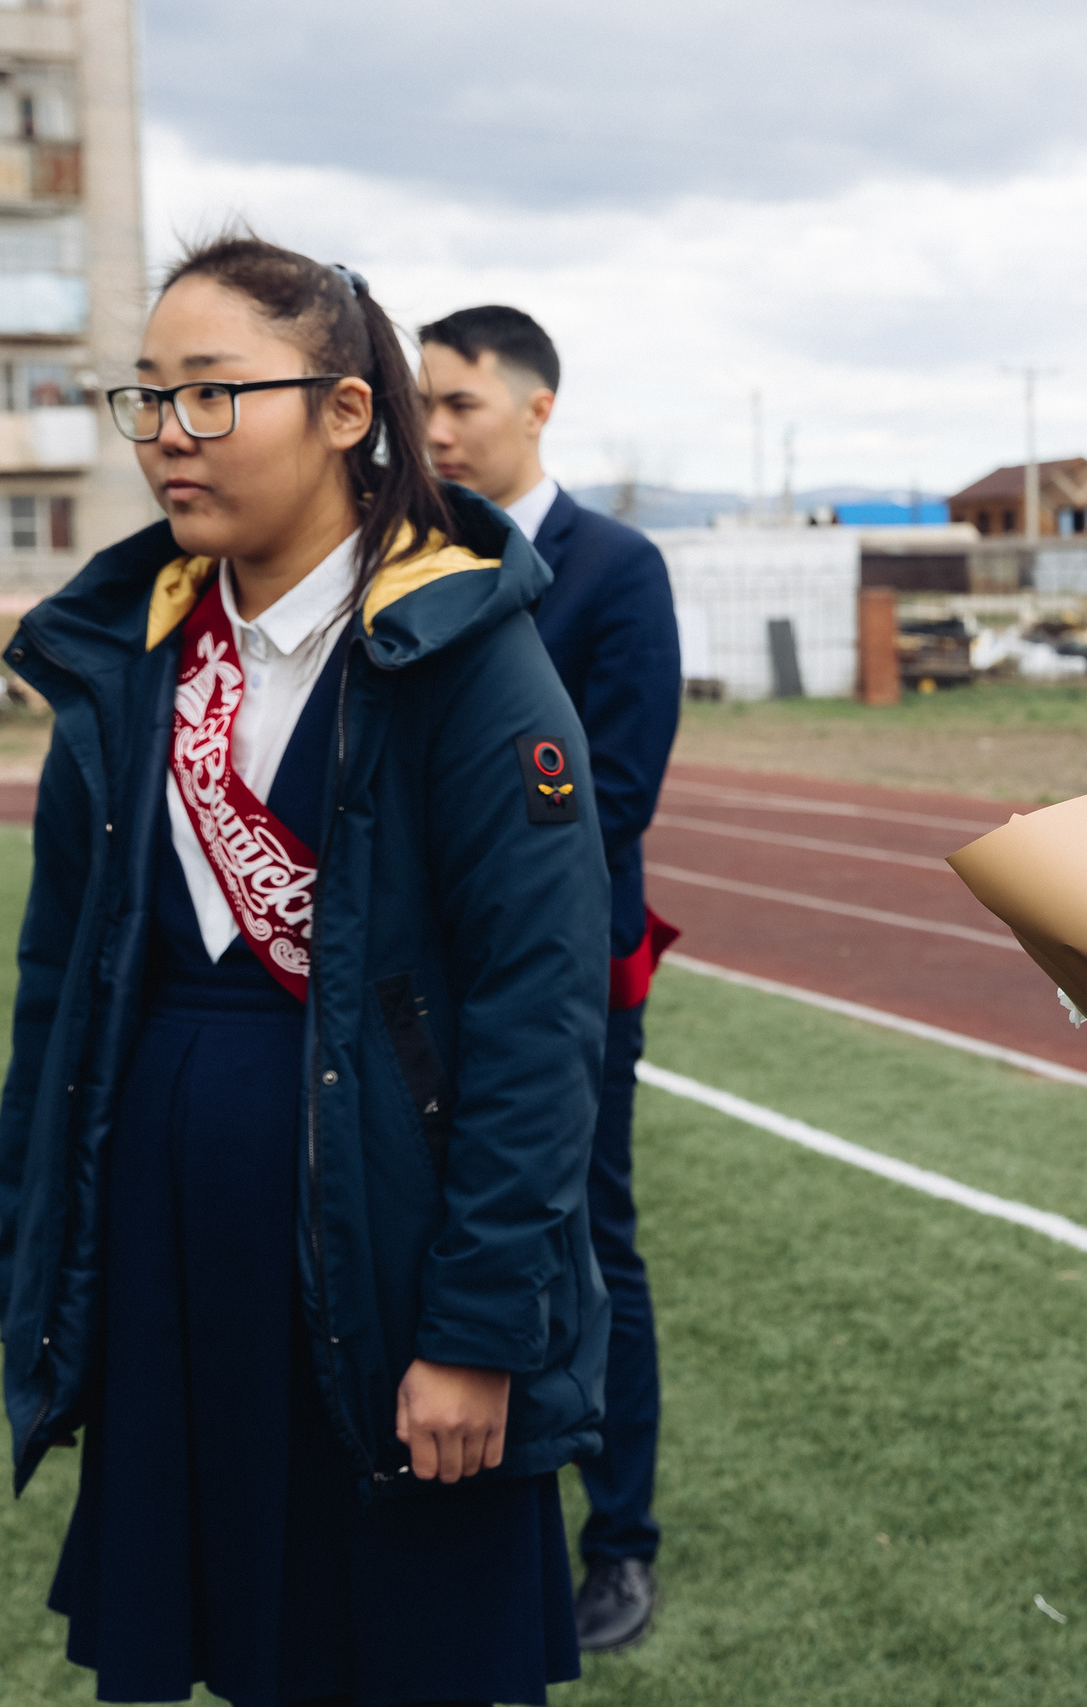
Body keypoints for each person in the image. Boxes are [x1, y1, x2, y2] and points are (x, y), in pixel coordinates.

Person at [0, 235, 609, 1707]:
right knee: (222, 1641)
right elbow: (56, 988)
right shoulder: (130, 656)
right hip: (168, 1242)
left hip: (383, 1247)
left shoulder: (467, 652)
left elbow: (536, 1022)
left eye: (210, 396)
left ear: (345, 412)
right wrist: (44, 1255)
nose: (165, 438)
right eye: (143, 400)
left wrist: (475, 1329)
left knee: (402, 1651)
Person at [419, 305, 683, 1653]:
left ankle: (619, 1539)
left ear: (537, 406)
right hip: (416, 990)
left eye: (458, 402)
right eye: (423, 402)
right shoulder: (403, 565)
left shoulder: (615, 567)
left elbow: (615, 794)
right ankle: (466, 1508)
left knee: (590, 1243)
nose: (435, 427)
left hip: (569, 976)